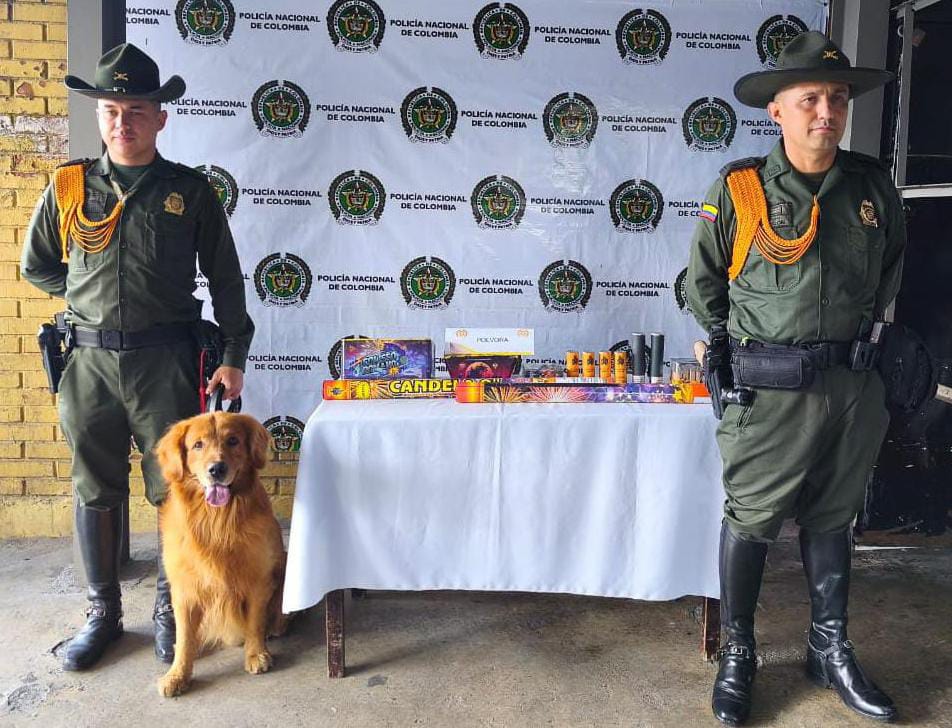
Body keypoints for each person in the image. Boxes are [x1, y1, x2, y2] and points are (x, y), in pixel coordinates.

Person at [685, 32, 904, 725]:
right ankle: (741, 653)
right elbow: (704, 285)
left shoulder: (871, 187)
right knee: (752, 518)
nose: (826, 112)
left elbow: (888, 272)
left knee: (834, 517)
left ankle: (829, 647)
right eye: (809, 98)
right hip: (770, 389)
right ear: (776, 111)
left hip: (851, 386)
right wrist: (721, 352)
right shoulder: (741, 188)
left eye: (836, 99)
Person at [20, 43, 254, 671]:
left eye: (136, 110)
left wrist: (233, 350)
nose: (121, 122)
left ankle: (170, 610)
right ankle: (102, 614)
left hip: (165, 362)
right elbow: (37, 264)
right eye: (110, 110)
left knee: (173, 489)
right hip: (89, 364)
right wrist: (81, 301)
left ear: (159, 118)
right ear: (100, 115)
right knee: (94, 488)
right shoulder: (69, 187)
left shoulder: (190, 192)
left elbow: (226, 278)